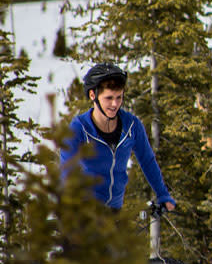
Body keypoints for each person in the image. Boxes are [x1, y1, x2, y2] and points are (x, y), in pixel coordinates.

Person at [61, 62, 176, 212]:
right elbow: (67, 171)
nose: (115, 104)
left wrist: (162, 194)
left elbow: (147, 161)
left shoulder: (132, 125)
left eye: (119, 97)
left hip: (115, 211)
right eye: (109, 98)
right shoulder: (79, 128)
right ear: (92, 95)